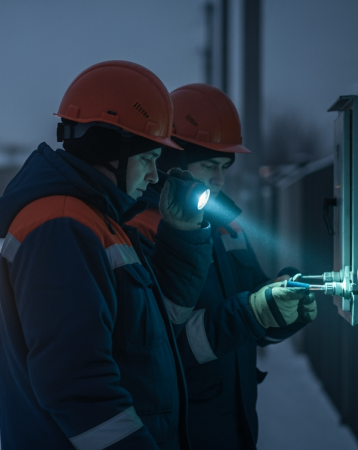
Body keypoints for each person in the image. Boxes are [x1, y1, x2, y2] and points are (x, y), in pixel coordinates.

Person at [0, 61, 214, 449]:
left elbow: (158, 325)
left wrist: (180, 233)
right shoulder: (63, 227)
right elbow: (77, 386)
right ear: (111, 150)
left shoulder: (98, 220)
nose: (153, 176)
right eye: (147, 159)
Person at [127, 83, 317, 449]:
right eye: (210, 165)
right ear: (172, 166)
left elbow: (254, 314)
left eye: (225, 167)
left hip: (235, 423)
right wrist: (254, 312)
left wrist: (283, 306)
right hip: (185, 429)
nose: (219, 179)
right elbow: (161, 344)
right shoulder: (143, 229)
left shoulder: (227, 225)